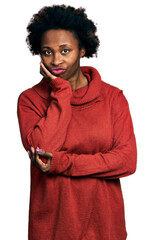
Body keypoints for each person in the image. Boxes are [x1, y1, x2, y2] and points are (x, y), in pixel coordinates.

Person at [17, 4, 137, 240]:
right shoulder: (30, 100)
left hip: (105, 229)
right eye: (47, 51)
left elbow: (126, 161)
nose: (55, 60)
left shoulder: (112, 98)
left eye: (65, 50)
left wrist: (62, 163)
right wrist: (61, 92)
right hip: (52, 229)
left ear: (82, 50)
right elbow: (43, 150)